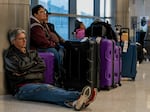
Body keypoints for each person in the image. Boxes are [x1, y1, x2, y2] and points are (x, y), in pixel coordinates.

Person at [4, 27, 97, 111]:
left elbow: (42, 66)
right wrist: (34, 65)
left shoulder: (32, 53)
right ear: (13, 41)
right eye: (21, 39)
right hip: (22, 89)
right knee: (46, 89)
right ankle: (80, 95)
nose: (24, 41)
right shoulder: (10, 55)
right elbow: (20, 67)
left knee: (49, 92)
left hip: (37, 83)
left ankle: (75, 103)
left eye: (25, 38)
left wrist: (26, 71)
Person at [30, 5, 65, 87]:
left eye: (44, 12)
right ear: (35, 14)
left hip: (44, 46)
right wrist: (53, 44)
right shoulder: (35, 26)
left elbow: (51, 36)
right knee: (54, 52)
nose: (44, 14)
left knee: (61, 50)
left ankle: (59, 73)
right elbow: (42, 42)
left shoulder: (43, 24)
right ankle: (58, 76)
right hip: (37, 48)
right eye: (41, 12)